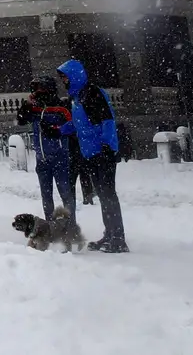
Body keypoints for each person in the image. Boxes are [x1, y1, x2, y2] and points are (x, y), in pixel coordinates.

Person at [58, 59, 127, 252]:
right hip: (91, 153)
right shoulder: (78, 97)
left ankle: (118, 239)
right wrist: (60, 130)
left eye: (65, 77)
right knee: (103, 196)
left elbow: (107, 120)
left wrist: (106, 145)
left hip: (102, 153)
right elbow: (81, 125)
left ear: (74, 76)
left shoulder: (93, 94)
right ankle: (110, 234)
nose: (63, 81)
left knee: (108, 195)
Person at [15, 75, 75, 220]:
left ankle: (71, 226)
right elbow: (20, 120)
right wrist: (26, 105)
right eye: (35, 89)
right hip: (41, 159)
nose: (37, 92)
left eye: (40, 88)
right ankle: (50, 226)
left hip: (60, 158)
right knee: (46, 196)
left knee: (65, 193)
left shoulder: (61, 107)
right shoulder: (35, 108)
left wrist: (55, 130)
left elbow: (72, 127)